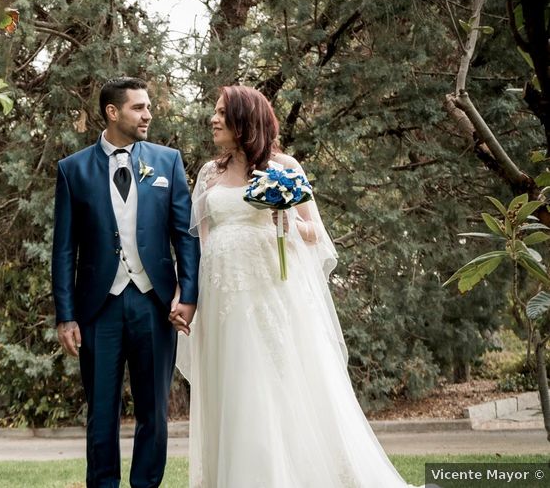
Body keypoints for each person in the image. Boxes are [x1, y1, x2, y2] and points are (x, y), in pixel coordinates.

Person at [176, 85, 417, 487]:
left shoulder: (284, 166)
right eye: (215, 112)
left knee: (269, 383)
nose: (213, 119)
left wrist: (287, 219)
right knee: (229, 386)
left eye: (221, 113)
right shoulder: (208, 173)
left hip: (269, 294)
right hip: (220, 296)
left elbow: (316, 236)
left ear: (244, 120)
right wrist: (186, 295)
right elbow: (197, 243)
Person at [52, 77, 201, 488]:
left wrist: (187, 294)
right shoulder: (73, 170)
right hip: (99, 309)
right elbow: (64, 250)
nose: (148, 114)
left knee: (154, 411)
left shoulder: (167, 161)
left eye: (148, 107)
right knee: (102, 411)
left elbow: (185, 234)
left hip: (154, 306)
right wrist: (66, 316)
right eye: (138, 108)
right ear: (112, 112)